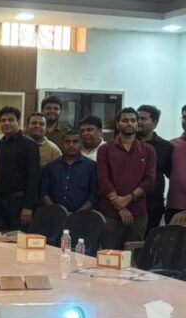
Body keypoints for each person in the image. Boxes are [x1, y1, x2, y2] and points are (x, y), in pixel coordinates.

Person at [96, 107, 155, 249]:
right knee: (110, 256)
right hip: (110, 213)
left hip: (137, 213)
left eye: (133, 120)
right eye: (125, 120)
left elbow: (149, 181)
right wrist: (120, 207)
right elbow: (103, 179)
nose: (129, 123)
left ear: (137, 124)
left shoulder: (148, 150)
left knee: (133, 257)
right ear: (118, 124)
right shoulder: (105, 149)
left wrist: (128, 199)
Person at [0, 106, 40, 231]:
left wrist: (28, 206)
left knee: (17, 239)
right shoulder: (1, 143)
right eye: (3, 120)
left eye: (10, 120)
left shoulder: (29, 144)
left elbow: (33, 177)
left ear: (18, 122)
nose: (6, 123)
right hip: (1, 202)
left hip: (19, 202)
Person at [40, 129, 98, 214]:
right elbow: (44, 192)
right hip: (54, 215)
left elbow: (94, 195)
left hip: (82, 216)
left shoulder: (91, 166)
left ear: (82, 144)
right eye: (67, 142)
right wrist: (56, 211)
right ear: (62, 144)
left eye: (75, 142)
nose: (71, 145)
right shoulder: (51, 167)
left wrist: (78, 214)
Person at [136, 104, 173, 233]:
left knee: (150, 240)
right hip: (129, 203)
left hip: (153, 204)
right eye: (137, 118)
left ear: (155, 123)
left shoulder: (165, 146)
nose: (138, 122)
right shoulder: (127, 143)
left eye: (143, 119)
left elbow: (170, 173)